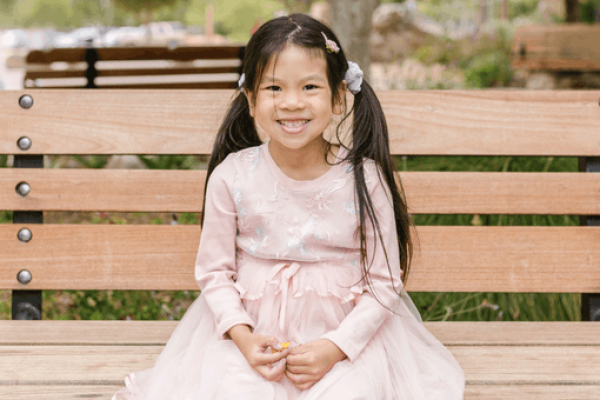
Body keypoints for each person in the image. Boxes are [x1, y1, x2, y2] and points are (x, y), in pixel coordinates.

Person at [112, 13, 465, 400]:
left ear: (338, 96)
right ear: (250, 99)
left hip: (347, 343)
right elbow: (214, 273)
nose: (292, 103)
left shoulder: (364, 178)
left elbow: (384, 282)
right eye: (274, 88)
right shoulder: (233, 176)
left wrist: (335, 348)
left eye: (310, 86)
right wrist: (244, 339)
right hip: (250, 342)